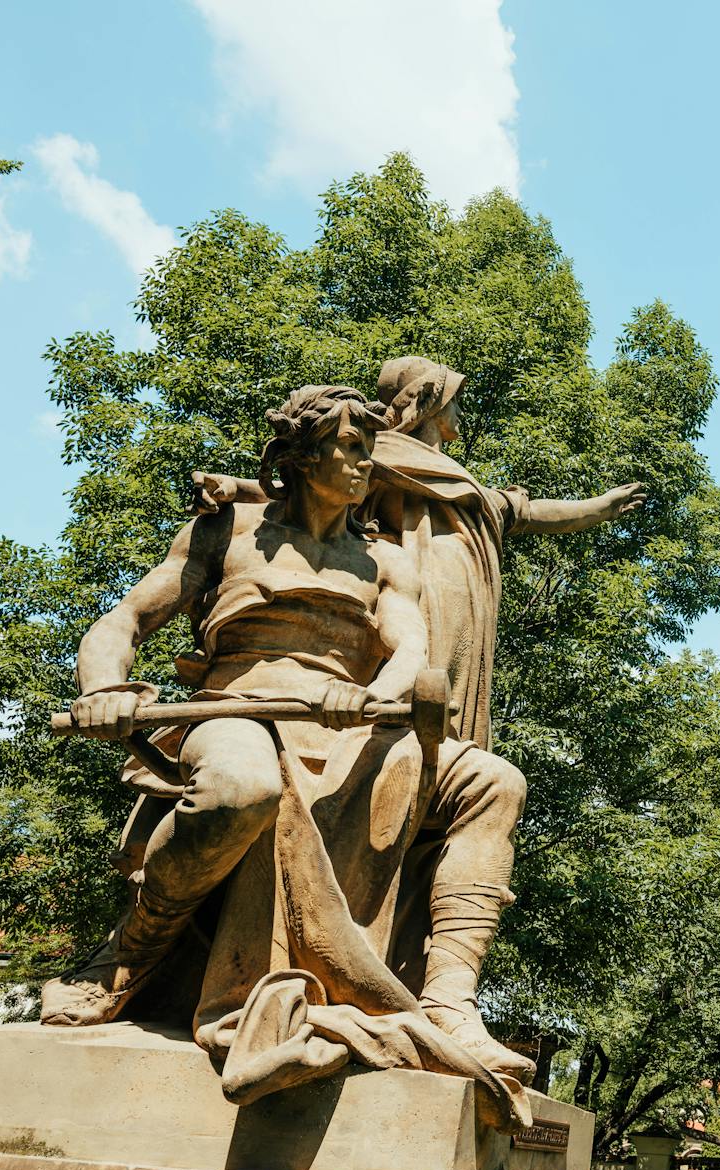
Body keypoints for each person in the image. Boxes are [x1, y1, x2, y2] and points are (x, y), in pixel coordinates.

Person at [41, 384, 530, 1119]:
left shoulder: (385, 561)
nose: (371, 463)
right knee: (240, 787)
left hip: (351, 727)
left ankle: (451, 1000)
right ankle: (129, 952)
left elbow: (409, 651)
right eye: (354, 448)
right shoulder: (228, 530)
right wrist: (103, 686)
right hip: (239, 708)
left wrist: (371, 693)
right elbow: (125, 620)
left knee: (494, 781)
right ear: (303, 455)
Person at [192, 357, 644, 1080]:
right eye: (452, 409)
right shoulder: (380, 464)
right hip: (359, 668)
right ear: (424, 405)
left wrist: (598, 508)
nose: (458, 427)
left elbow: (520, 511)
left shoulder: (460, 489)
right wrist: (233, 489)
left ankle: (449, 999)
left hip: (432, 668)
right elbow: (302, 497)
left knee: (481, 784)